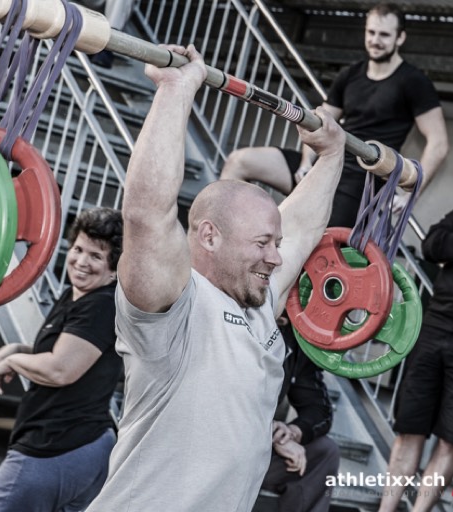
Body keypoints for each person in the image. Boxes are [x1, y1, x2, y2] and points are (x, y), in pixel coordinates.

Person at [86, 44, 346, 511]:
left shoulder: (260, 301)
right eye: (262, 243)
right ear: (209, 236)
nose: (275, 256)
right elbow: (147, 216)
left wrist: (331, 155)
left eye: (275, 242)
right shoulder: (173, 309)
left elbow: (305, 227)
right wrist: (175, 89)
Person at [220, 2, 449, 228]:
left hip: (360, 183)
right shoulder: (350, 74)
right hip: (325, 163)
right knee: (238, 162)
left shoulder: (414, 81)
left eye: (384, 35)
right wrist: (305, 162)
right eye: (371, 32)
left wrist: (412, 193)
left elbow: (438, 144)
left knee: (313, 239)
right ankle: (224, 238)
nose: (375, 40)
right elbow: (318, 122)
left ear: (400, 38)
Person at [0, 207, 124, 512]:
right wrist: (17, 350)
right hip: (82, 445)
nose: (81, 262)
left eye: (96, 256)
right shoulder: (77, 295)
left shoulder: (99, 306)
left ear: (113, 269)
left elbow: (60, 370)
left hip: (54, 448)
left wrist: (13, 361)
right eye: (78, 249)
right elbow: (67, 353)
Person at [378, 204, 453, 512]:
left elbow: (446, 247)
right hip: (434, 329)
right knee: (410, 429)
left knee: (451, 439)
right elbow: (433, 244)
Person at [254, 312, 340, 512]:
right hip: (214, 448)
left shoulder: (293, 337)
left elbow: (318, 408)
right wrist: (269, 432)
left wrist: (291, 433)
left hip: (261, 448)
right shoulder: (230, 320)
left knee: (324, 452)